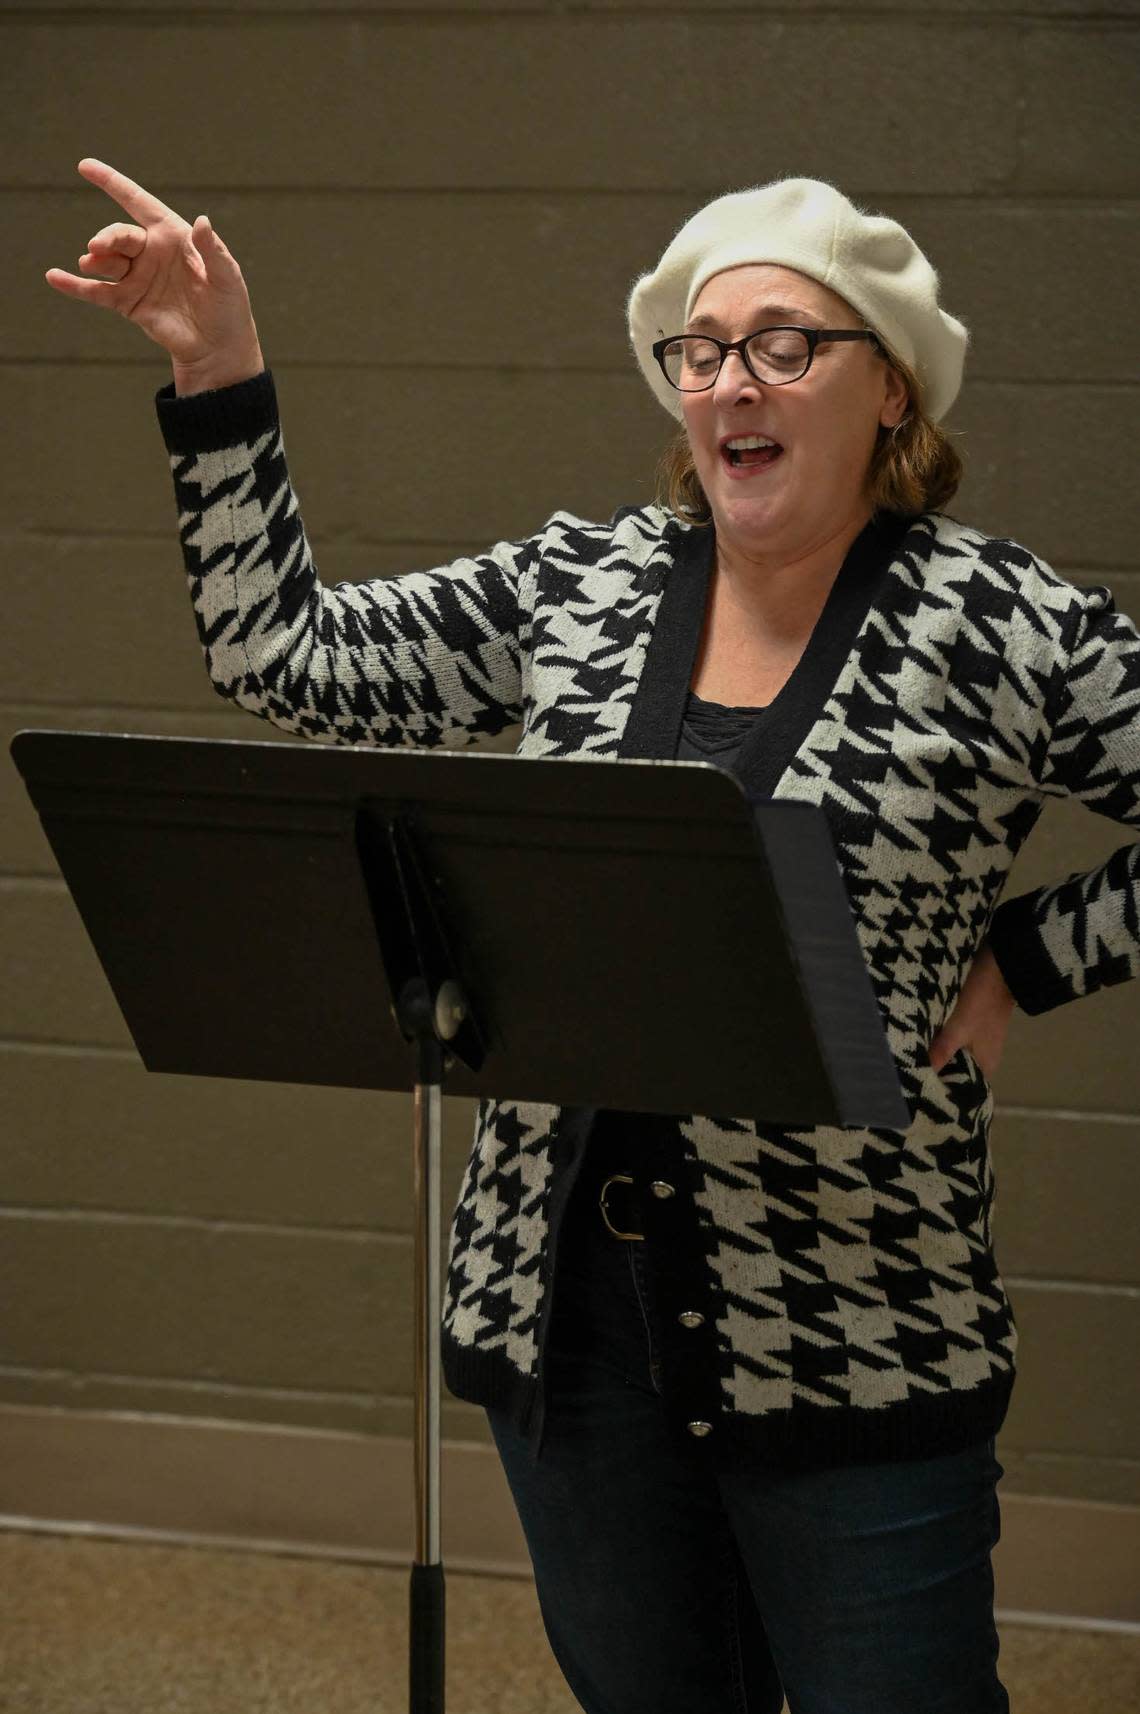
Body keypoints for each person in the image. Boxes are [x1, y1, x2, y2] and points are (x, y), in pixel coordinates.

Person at [47, 164, 1140, 1714]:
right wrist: (215, 370)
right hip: (570, 1330)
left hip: (857, 1336)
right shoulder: (586, 582)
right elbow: (279, 654)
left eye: (784, 345)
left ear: (891, 387)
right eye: (701, 351)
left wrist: (1034, 956)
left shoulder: (1003, 628)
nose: (730, 383)